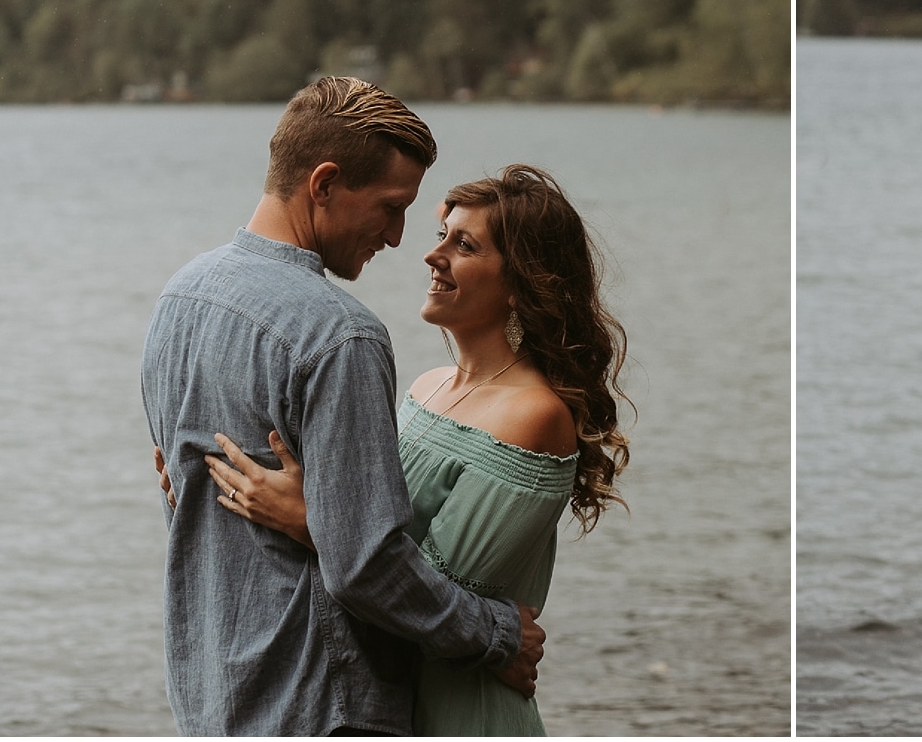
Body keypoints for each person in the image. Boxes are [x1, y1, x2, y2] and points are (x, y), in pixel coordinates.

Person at [141, 77, 544, 736]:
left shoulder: (177, 302)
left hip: (211, 701)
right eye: (389, 207)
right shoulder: (341, 336)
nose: (396, 235)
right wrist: (495, 633)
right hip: (324, 708)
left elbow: (182, 502)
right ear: (324, 183)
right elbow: (367, 564)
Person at [203, 164, 630, 737]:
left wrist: (306, 518)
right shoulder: (425, 387)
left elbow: (428, 594)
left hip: (462, 709)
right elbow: (367, 525)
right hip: (390, 697)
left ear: (521, 281)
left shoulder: (533, 415)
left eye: (465, 244)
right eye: (442, 236)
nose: (434, 256)